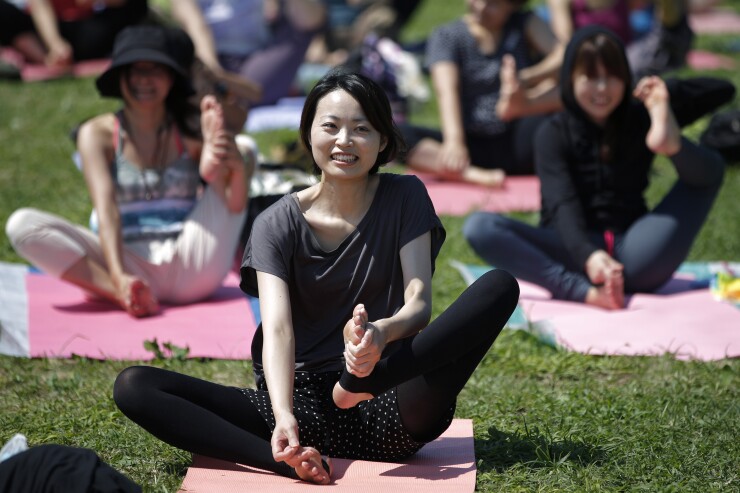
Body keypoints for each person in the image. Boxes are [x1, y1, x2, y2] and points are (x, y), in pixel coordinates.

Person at [112, 68, 520, 484]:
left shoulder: (406, 195)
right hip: (302, 408)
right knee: (135, 386)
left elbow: (418, 302)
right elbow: (277, 328)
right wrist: (284, 417)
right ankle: (282, 461)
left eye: (361, 128)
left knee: (499, 286)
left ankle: (365, 381)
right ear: (309, 134)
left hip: (393, 399)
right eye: (331, 126)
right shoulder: (275, 223)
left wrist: (380, 334)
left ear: (382, 141)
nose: (344, 141)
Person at [463, 26, 734, 310]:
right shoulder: (552, 132)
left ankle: (672, 144)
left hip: (635, 254)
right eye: (591, 77)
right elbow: (561, 203)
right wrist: (588, 256)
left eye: (612, 77)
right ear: (570, 79)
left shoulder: (639, 115)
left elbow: (723, 89)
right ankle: (582, 292)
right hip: (567, 251)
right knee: (481, 226)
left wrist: (664, 97)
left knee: (709, 171)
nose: (602, 88)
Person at [5, 25, 249, 318]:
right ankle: (122, 291)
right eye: (135, 70)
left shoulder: (189, 131)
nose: (144, 80)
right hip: (129, 260)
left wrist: (225, 160)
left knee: (244, 151)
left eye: (155, 69)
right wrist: (119, 276)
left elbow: (234, 206)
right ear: (120, 77)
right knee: (22, 225)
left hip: (192, 265)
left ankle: (219, 167)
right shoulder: (96, 134)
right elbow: (106, 209)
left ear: (171, 78)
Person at [400, 0, 565, 187]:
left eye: (492, 4)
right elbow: (447, 92)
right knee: (393, 135)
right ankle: (469, 174)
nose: (480, 7)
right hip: (471, 145)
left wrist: (526, 78)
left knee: (568, 110)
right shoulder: (447, 35)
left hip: (518, 137)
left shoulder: (525, 22)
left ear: (512, 5)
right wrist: (455, 142)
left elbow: (565, 55)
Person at [171, 0, 326, 107]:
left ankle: (241, 96)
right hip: (210, 60)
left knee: (299, 31)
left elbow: (311, 21)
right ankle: (240, 95)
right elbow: (196, 27)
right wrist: (214, 74)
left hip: (256, 61)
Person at [546, 0, 695, 79]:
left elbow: (669, 16)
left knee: (669, 34)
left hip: (627, 58)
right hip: (585, 59)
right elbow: (566, 41)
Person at [0, 0, 148, 70]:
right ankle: (45, 59)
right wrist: (55, 44)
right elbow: (40, 6)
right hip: (41, 31)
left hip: (86, 31)